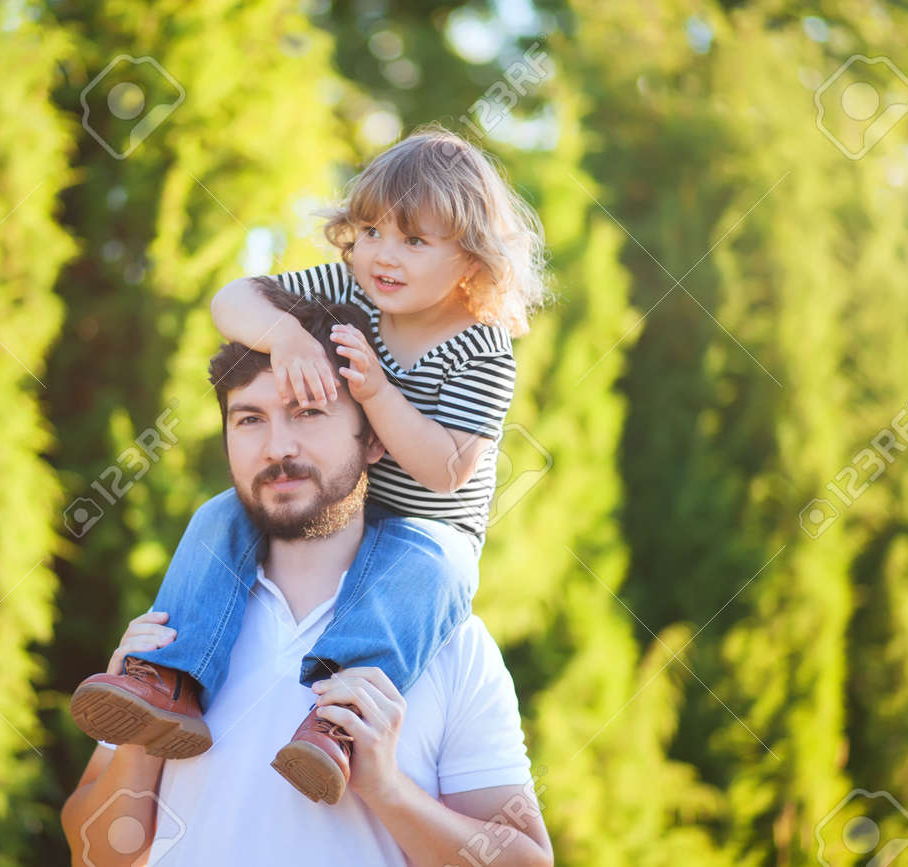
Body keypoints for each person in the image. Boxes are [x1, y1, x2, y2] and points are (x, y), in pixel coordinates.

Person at [71, 124, 550, 801]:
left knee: (422, 581)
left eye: (414, 241)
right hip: (340, 503)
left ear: (472, 260)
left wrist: (377, 393)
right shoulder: (348, 287)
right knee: (219, 517)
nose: (384, 254)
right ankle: (171, 678)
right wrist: (289, 336)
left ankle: (337, 723)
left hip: (430, 527)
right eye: (372, 231)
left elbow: (446, 470)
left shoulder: (482, 348)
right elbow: (230, 300)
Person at [61, 302, 552, 866]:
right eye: (250, 419)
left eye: (309, 411)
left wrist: (386, 789)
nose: (277, 447)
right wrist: (140, 743)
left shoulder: (451, 644)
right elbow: (94, 856)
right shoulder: (177, 630)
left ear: (374, 438)